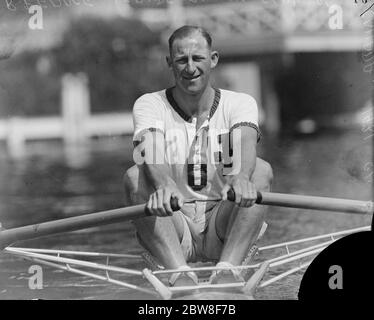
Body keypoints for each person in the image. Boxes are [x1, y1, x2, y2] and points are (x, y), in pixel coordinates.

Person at [123, 25, 273, 287]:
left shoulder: (239, 103)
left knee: (260, 171)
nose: (190, 68)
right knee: (134, 176)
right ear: (170, 63)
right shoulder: (149, 104)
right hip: (174, 221)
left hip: (222, 222)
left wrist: (240, 177)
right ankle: (179, 273)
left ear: (213, 59)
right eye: (181, 60)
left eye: (197, 58)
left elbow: (245, 143)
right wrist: (164, 185)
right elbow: (150, 149)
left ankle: (228, 269)